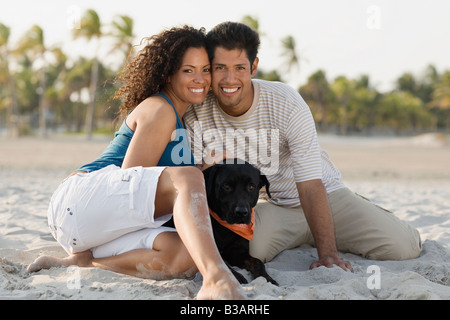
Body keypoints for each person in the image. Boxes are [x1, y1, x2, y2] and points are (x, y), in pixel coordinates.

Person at [184, 21, 422, 271]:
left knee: (403, 247)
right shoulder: (196, 112)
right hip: (275, 209)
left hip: (324, 196)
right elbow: (197, 182)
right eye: (220, 67)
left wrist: (328, 255)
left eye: (239, 67)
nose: (229, 79)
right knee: (244, 252)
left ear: (253, 67)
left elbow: (310, 183)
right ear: (209, 68)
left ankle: (344, 224)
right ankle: (302, 238)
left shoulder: (286, 102)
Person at [27, 25, 243, 300]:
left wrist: (203, 170)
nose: (199, 78)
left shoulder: (182, 125)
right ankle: (216, 279)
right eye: (188, 70)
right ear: (168, 73)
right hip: (77, 200)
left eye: (205, 70)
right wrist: (195, 174)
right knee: (188, 178)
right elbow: (130, 180)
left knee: (186, 256)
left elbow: (146, 193)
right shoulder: (160, 109)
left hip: (93, 230)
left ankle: (85, 262)